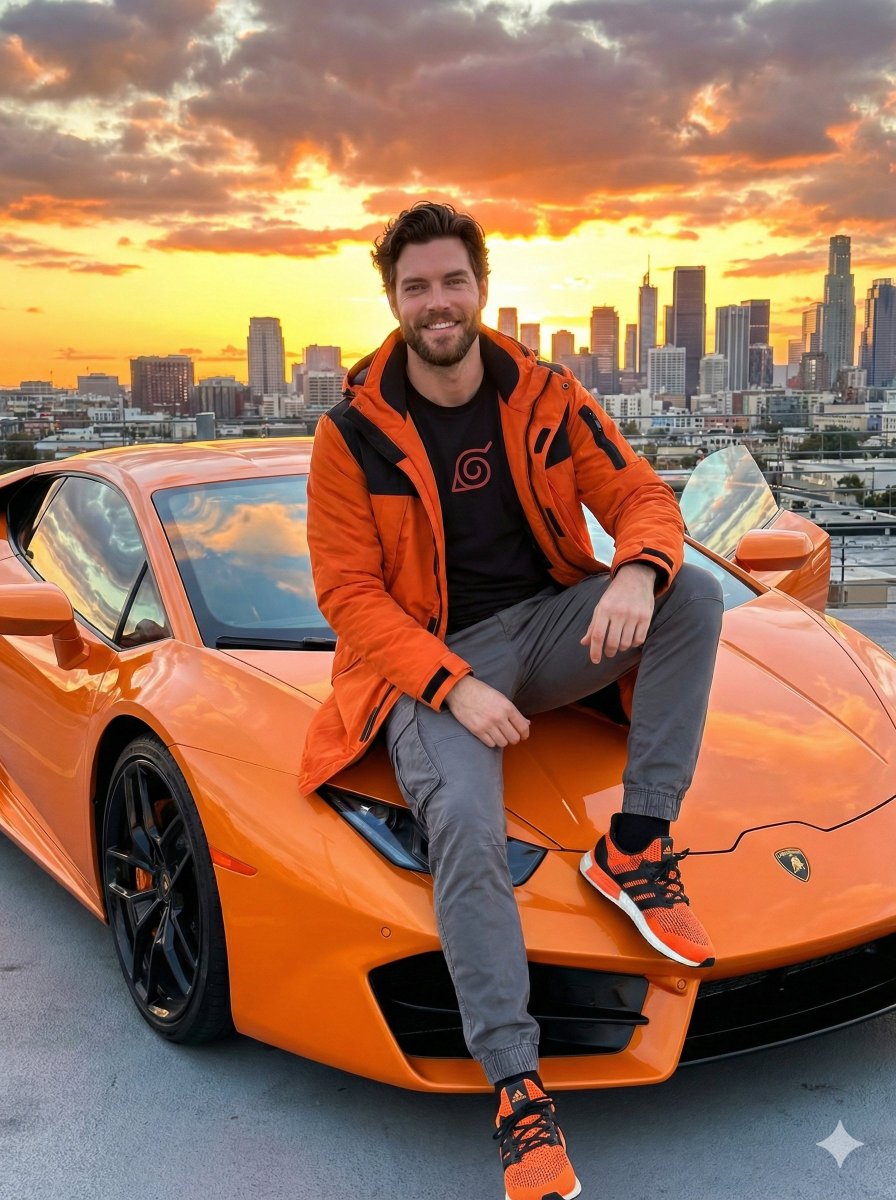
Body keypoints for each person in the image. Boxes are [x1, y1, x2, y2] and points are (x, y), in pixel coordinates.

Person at [301, 202, 724, 1200]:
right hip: (421, 663)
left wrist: (636, 571)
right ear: (393, 301)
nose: (435, 303)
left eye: (451, 282)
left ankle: (634, 846)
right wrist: (452, 688)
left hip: (539, 627)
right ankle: (517, 1092)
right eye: (415, 287)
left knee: (690, 592)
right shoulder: (348, 435)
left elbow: (638, 499)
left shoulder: (544, 392)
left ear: (479, 288)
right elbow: (348, 597)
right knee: (466, 829)